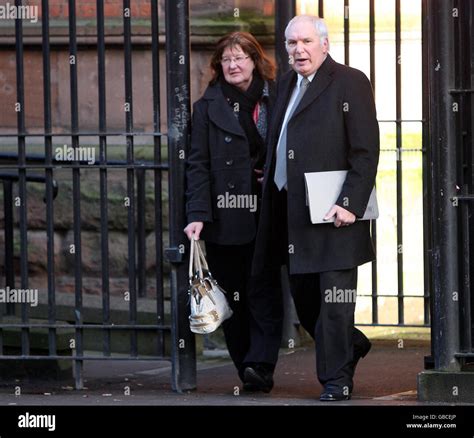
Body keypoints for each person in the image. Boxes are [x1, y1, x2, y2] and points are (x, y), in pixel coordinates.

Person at [253, 15, 380, 401]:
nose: (298, 50)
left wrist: (350, 204)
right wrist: (271, 170)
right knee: (307, 301)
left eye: (306, 41)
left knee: (335, 304)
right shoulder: (287, 83)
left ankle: (336, 380)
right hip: (291, 211)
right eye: (292, 43)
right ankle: (351, 345)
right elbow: (284, 137)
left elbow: (365, 150)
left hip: (335, 214)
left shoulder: (350, 81)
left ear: (324, 44)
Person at [184, 32, 283, 392]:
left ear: (255, 61)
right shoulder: (207, 107)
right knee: (232, 291)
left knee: (264, 289)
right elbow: (197, 164)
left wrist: (269, 170)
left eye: (240, 57)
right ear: (217, 66)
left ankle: (262, 363)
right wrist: (196, 214)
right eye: (226, 60)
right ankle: (246, 366)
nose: (233, 65)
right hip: (226, 215)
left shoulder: (278, 97)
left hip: (268, 211)